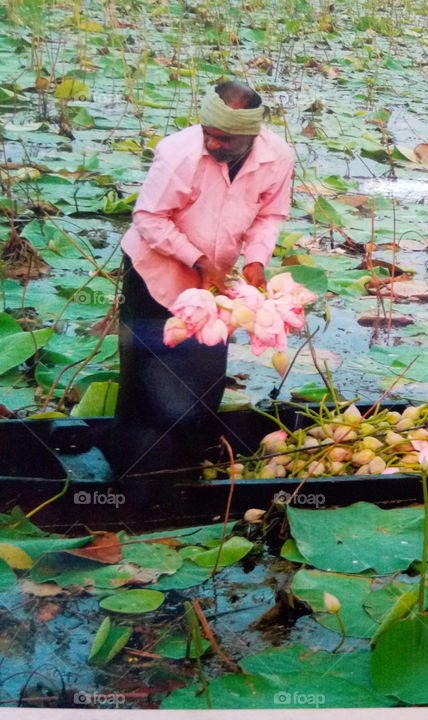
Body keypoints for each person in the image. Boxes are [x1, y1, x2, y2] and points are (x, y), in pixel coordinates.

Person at [107, 81, 295, 479]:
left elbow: (270, 215)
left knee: (205, 372)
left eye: (224, 139)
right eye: (208, 134)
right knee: (146, 374)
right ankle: (134, 473)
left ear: (250, 135)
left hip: (214, 285)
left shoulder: (278, 157)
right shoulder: (179, 153)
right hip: (155, 273)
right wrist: (197, 259)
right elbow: (148, 218)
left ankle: (187, 468)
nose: (212, 145)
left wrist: (256, 260)